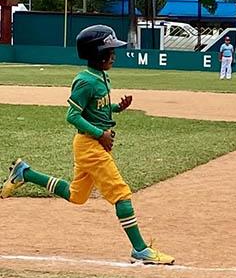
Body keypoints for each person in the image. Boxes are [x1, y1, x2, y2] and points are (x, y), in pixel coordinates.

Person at [2, 25, 175, 265]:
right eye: (110, 50)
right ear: (97, 53)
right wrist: (99, 134)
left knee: (77, 196)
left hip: (92, 144)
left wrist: (117, 108)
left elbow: (97, 108)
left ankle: (26, 173)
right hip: (90, 145)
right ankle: (140, 249)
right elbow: (72, 116)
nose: (114, 55)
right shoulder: (84, 81)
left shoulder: (102, 76)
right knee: (121, 194)